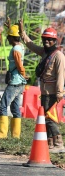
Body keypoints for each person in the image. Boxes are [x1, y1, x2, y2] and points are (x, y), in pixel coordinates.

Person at [19, 19, 65, 153]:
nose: (46, 42)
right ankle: (50, 144)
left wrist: (59, 93)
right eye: (45, 39)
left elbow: (61, 76)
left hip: (53, 93)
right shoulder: (45, 53)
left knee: (50, 118)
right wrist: (22, 32)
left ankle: (58, 143)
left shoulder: (58, 56)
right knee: (45, 117)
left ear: (55, 41)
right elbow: (30, 45)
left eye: (49, 40)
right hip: (44, 92)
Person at [0, 25, 27, 140]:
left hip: (15, 82)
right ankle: (16, 136)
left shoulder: (15, 50)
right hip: (19, 82)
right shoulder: (21, 47)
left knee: (2, 106)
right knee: (15, 108)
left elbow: (19, 66)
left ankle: (2, 133)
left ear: (12, 38)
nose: (7, 39)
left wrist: (22, 73)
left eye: (8, 37)